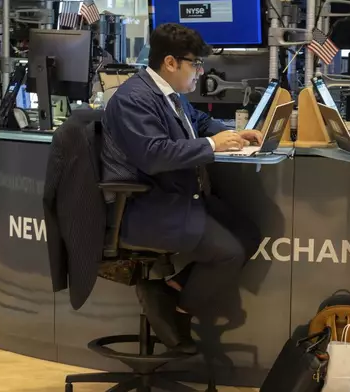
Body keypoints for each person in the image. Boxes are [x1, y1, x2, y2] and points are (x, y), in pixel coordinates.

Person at [101, 23, 262, 353]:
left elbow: (198, 123)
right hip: (149, 209)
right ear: (171, 63)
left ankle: (167, 290)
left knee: (248, 233)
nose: (200, 73)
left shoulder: (168, 94)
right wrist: (212, 145)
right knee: (228, 253)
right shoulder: (134, 98)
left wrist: (234, 133)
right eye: (196, 65)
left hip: (181, 198)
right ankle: (180, 313)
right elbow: (154, 155)